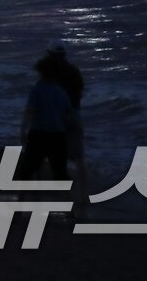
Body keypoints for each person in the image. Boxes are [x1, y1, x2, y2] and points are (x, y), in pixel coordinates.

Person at [15, 55, 75, 195]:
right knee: (60, 174)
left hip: (39, 135)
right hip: (58, 136)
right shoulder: (62, 93)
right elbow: (69, 117)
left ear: (41, 73)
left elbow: (30, 111)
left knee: (27, 171)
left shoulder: (37, 90)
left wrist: (23, 130)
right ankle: (73, 205)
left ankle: (21, 202)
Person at [44, 43, 89, 218]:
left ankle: (67, 196)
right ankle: (83, 195)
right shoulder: (74, 71)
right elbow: (80, 93)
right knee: (79, 157)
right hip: (75, 116)